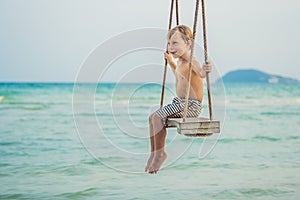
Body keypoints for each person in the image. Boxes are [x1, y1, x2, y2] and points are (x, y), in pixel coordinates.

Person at [145, 25, 212, 174]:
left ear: (188, 44)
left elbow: (201, 73)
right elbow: (178, 75)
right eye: (169, 43)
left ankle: (160, 154)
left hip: (190, 105)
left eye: (175, 43)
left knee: (157, 116)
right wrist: (170, 61)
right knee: (153, 118)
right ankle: (154, 153)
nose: (171, 47)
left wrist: (206, 69)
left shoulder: (191, 60)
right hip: (180, 103)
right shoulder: (180, 62)